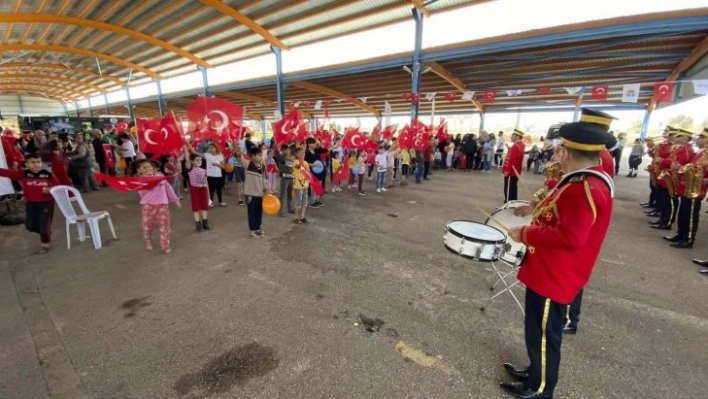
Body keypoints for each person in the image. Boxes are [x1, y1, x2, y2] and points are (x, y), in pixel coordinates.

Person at [500, 117, 615, 399]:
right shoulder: (582, 180)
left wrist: (526, 234)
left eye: (559, 149)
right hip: (550, 269)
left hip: (556, 274)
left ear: (567, 152)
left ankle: (540, 388)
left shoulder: (584, 187)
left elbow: (570, 238)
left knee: (544, 333)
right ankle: (535, 370)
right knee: (538, 330)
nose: (556, 154)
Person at [0, 153, 59, 253]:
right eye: (32, 162)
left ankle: (45, 244)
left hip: (46, 203)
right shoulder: (24, 174)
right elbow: (7, 173)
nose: (36, 165)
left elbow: (58, 186)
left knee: (44, 225)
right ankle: (45, 232)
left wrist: (50, 189)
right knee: (30, 226)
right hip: (31, 203)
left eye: (38, 162)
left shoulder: (48, 174)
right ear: (26, 164)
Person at [663, 128, 703, 248]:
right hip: (688, 186)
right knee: (683, 213)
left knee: (690, 215)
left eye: (701, 137)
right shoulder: (700, 152)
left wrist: (679, 167)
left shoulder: (697, 151)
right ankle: (681, 235)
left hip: (697, 188)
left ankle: (687, 239)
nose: (698, 139)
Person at [132, 160, 181, 254]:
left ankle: (165, 245)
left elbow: (168, 188)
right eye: (145, 168)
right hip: (148, 207)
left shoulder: (160, 177)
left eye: (149, 167)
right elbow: (142, 193)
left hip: (162, 205)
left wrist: (176, 200)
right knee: (147, 226)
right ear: (139, 171)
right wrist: (146, 181)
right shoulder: (140, 181)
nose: (148, 169)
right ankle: (148, 240)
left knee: (164, 226)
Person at [652, 128, 693, 230]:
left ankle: (667, 222)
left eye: (678, 136)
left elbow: (676, 163)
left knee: (670, 201)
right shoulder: (679, 148)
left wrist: (661, 161)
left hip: (674, 178)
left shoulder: (686, 149)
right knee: (665, 201)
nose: (676, 137)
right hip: (669, 176)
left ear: (685, 138)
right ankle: (663, 220)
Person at [239, 147, 267, 238]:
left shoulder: (262, 166)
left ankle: (258, 228)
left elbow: (263, 178)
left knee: (259, 212)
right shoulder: (248, 164)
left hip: (260, 194)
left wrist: (265, 188)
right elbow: (240, 160)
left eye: (261, 155)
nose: (261, 157)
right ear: (253, 156)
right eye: (259, 155)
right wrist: (237, 153)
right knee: (252, 212)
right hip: (250, 194)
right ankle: (253, 230)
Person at [184, 151, 210, 232]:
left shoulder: (203, 170)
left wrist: (208, 193)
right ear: (192, 161)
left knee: (204, 206)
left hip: (203, 189)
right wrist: (185, 147)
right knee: (196, 207)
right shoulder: (191, 169)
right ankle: (197, 223)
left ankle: (205, 222)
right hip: (195, 189)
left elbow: (206, 182)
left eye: (200, 160)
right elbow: (187, 160)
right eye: (197, 160)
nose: (199, 161)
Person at [501, 129, 526, 202]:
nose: (511, 137)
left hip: (511, 172)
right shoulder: (521, 145)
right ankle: (513, 202)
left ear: (517, 136)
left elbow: (511, 160)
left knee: (509, 189)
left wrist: (507, 171)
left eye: (513, 136)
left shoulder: (516, 146)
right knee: (513, 188)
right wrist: (509, 148)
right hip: (516, 171)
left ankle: (508, 203)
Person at [292, 146, 310, 224]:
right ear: (296, 154)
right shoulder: (295, 161)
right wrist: (301, 161)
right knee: (298, 202)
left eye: (303, 152)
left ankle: (302, 217)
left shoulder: (306, 163)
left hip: (305, 185)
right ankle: (296, 217)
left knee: (304, 202)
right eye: (300, 152)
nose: (302, 153)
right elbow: (297, 166)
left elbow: (308, 173)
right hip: (298, 185)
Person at [275, 144, 294, 217]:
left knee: (290, 194)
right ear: (283, 150)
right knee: (282, 195)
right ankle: (281, 211)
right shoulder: (282, 158)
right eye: (287, 150)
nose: (289, 151)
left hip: (291, 178)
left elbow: (292, 168)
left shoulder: (290, 158)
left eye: (289, 149)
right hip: (284, 179)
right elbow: (276, 152)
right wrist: (276, 143)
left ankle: (290, 208)